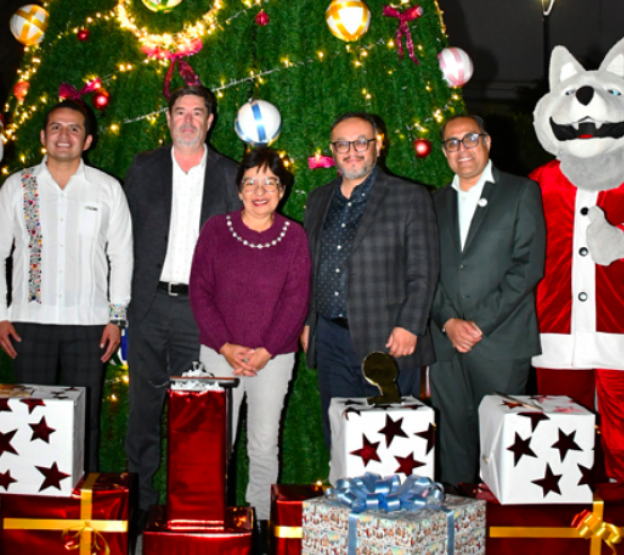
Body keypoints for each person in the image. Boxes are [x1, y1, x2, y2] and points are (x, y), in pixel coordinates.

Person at [0, 99, 132, 472]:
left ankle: (84, 505)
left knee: (86, 421)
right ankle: (33, 508)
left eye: (74, 129)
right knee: (28, 419)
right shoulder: (18, 187)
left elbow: (122, 255)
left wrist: (116, 316)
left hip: (90, 325)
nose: (64, 136)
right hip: (28, 324)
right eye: (56, 128)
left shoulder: (107, 189)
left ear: (88, 140)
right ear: (43, 136)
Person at [124, 85, 242, 520]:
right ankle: (140, 505)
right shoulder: (143, 167)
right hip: (150, 307)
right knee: (143, 409)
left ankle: (188, 506)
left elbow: (238, 246)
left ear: (210, 121)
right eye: (180, 112)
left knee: (195, 413)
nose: (188, 120)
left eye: (198, 112)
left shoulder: (232, 174)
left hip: (202, 312)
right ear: (168, 119)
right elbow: (123, 237)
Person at [190, 147, 310, 534]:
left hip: (272, 360)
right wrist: (225, 346)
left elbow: (296, 302)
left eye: (270, 182)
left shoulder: (294, 237)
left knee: (262, 445)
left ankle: (257, 524)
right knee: (215, 446)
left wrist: (265, 352)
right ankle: (212, 519)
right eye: (251, 182)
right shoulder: (214, 230)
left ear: (283, 189)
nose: (260, 190)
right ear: (239, 190)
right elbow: (199, 291)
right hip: (217, 355)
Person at [301, 112, 439, 448]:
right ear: (332, 150)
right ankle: (346, 496)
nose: (352, 151)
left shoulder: (409, 196)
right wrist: (307, 324)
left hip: (388, 337)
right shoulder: (319, 199)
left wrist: (410, 325)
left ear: (378, 145)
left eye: (361, 142)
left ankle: (391, 500)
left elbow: (425, 268)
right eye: (343, 144)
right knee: (339, 432)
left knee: (390, 437)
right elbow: (309, 267)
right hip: (330, 337)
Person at [429, 114, 546, 486]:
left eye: (470, 139)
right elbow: (423, 270)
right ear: (445, 151)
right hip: (446, 345)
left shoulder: (520, 192)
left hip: (500, 342)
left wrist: (478, 324)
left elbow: (528, 267)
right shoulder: (432, 203)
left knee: (504, 444)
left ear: (487, 142)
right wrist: (448, 321)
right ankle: (459, 519)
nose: (461, 149)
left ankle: (501, 530)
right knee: (452, 442)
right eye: (452, 142)